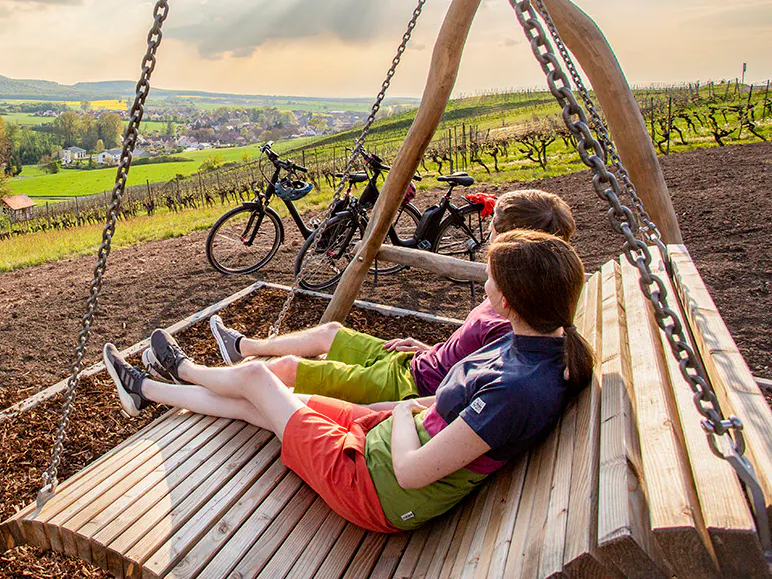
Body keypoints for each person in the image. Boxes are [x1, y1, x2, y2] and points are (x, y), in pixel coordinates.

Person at [103, 229, 592, 533]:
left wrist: (401, 409)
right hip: (385, 438)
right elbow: (456, 417)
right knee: (265, 400)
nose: (484, 287)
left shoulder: (519, 388)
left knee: (256, 378)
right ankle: (147, 391)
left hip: (373, 487)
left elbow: (412, 473)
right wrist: (400, 411)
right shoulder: (540, 345)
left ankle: (176, 374)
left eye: (490, 280)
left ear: (507, 300)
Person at [190, 189, 575, 405]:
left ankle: (208, 384)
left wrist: (394, 409)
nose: (486, 236)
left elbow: (468, 385)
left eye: (491, 229)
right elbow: (468, 357)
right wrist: (424, 346)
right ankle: (242, 347)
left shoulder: (515, 317)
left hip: (411, 386)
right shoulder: (521, 301)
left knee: (292, 367)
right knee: (331, 332)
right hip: (420, 361)